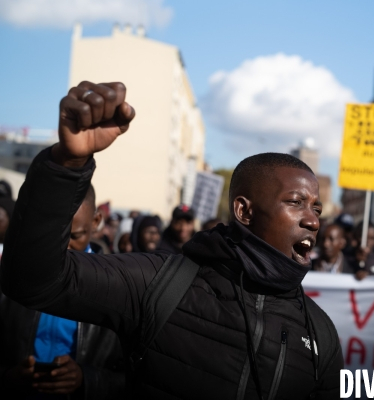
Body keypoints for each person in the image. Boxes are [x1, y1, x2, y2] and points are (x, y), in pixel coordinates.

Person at [1, 81, 342, 399]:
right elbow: (33, 280)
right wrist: (67, 164)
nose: (313, 220)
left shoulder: (320, 334)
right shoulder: (161, 284)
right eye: (295, 202)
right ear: (244, 211)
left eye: (316, 207)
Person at [0, 185, 126, 399]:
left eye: (75, 235)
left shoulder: (118, 291)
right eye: (55, 235)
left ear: (95, 222)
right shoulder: (13, 278)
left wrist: (85, 380)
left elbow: (137, 379)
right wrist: (9, 377)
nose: (64, 247)